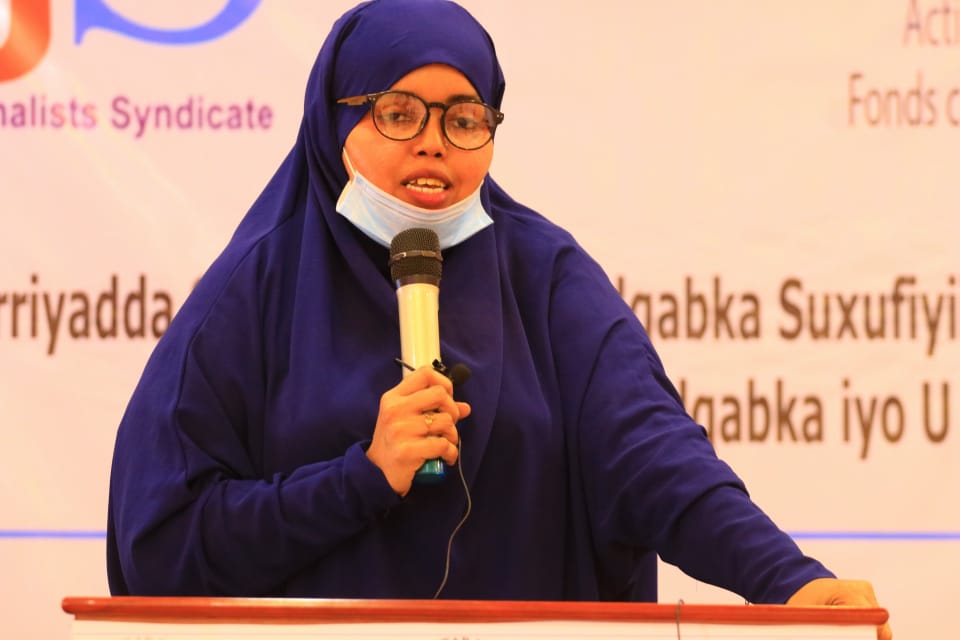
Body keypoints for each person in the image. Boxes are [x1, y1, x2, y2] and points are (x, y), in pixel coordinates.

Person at [105, 1, 891, 638]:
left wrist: (788, 580)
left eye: (464, 118)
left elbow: (656, 459)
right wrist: (359, 478)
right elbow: (162, 550)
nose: (434, 148)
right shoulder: (251, 292)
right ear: (334, 121)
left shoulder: (544, 276)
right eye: (399, 113)